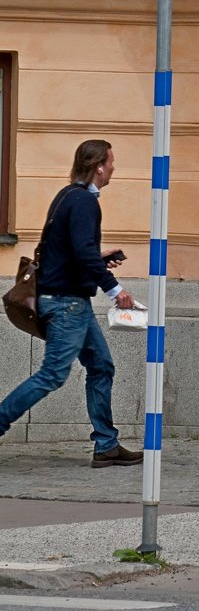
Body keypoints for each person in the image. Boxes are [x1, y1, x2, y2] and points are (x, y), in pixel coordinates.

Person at [0, 140, 143, 469]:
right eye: (112, 161)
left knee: (102, 366)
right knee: (51, 375)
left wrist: (98, 259)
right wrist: (115, 290)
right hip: (67, 305)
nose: (115, 168)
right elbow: (80, 251)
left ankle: (106, 444)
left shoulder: (68, 196)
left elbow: (68, 251)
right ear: (99, 166)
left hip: (70, 301)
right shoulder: (83, 202)